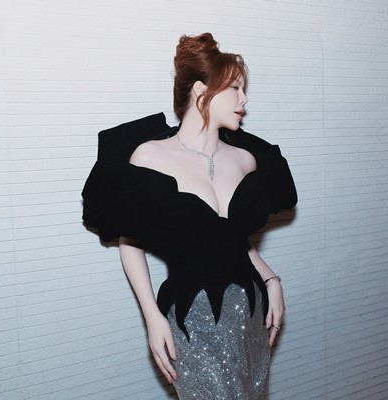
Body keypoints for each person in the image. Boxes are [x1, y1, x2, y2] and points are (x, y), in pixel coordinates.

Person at [82, 32, 297, 399]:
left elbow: (230, 239)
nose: (244, 99)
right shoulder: (151, 157)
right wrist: (151, 317)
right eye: (235, 88)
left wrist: (272, 280)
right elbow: (129, 239)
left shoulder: (246, 160)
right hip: (190, 317)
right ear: (201, 90)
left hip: (250, 311)